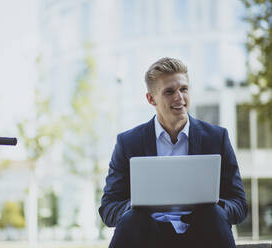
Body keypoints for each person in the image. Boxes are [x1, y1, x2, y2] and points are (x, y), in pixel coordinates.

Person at [99, 57, 248, 248]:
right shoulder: (128, 143)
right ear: (151, 99)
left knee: (212, 214)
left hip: (203, 233)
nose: (179, 97)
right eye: (169, 92)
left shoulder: (216, 138)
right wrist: (134, 205)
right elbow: (108, 209)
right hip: (148, 235)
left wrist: (214, 205)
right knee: (133, 219)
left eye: (184, 89)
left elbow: (240, 205)